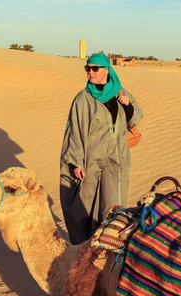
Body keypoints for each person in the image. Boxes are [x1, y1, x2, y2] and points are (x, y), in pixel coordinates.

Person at [60, 53, 144, 245]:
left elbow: (135, 118)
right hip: (90, 158)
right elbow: (74, 131)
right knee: (84, 206)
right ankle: (84, 247)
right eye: (87, 68)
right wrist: (76, 162)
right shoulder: (82, 99)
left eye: (95, 68)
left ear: (107, 70)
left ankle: (107, 246)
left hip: (117, 158)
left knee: (112, 205)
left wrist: (127, 106)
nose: (90, 72)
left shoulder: (121, 93)